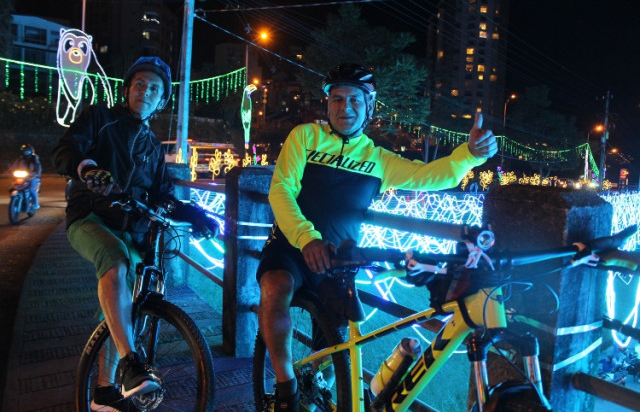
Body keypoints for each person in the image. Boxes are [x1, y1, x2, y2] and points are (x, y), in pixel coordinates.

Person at [256, 63, 498, 411]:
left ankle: (314, 380)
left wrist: (469, 154)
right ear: (327, 105)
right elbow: (281, 190)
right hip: (293, 245)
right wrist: (306, 238)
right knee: (275, 288)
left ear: (369, 107)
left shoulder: (377, 159)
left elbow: (429, 176)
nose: (344, 107)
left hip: (340, 258)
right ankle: (286, 386)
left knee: (333, 344)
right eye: (336, 99)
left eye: (354, 99)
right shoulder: (305, 136)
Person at [51, 56, 218, 411]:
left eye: (154, 88)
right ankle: (130, 364)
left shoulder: (153, 147)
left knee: (127, 306)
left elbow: (164, 196)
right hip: (90, 218)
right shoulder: (100, 118)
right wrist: (88, 169)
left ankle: (104, 393)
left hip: (135, 232)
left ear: (161, 101)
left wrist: (197, 214)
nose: (146, 90)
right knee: (114, 262)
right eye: (140, 83)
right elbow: (66, 150)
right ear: (127, 89)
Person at [9, 144, 42, 209]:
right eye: (25, 151)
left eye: (28, 151)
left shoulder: (35, 159)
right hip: (22, 178)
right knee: (12, 187)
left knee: (31, 189)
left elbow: (38, 167)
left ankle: (36, 203)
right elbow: (13, 166)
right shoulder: (20, 159)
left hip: (33, 178)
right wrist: (9, 172)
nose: (26, 153)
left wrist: (36, 174)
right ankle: (15, 201)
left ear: (31, 151)